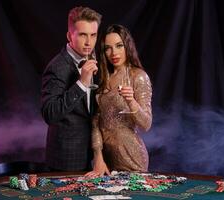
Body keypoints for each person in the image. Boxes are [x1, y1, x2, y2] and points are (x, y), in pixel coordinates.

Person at [86, 24, 152, 177]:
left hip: (132, 157)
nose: (113, 53)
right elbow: (96, 123)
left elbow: (146, 124)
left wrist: (131, 101)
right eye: (108, 48)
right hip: (107, 159)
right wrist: (98, 156)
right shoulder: (103, 81)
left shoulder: (138, 76)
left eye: (119, 46)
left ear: (127, 46)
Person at [41, 6, 102, 171]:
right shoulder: (57, 67)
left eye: (93, 35)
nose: (89, 42)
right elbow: (50, 114)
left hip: (95, 155)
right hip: (66, 158)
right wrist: (81, 84)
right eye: (83, 35)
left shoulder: (93, 57)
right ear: (69, 36)